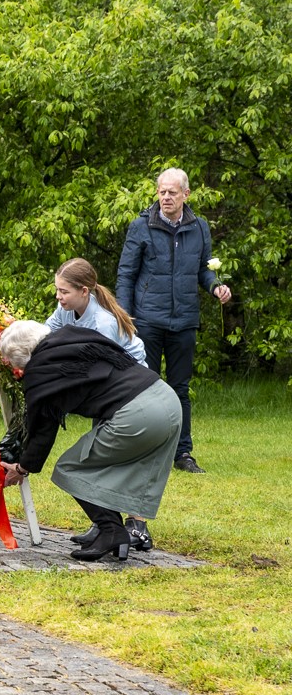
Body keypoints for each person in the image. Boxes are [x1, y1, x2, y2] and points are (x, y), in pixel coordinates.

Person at [0, 321, 181, 562]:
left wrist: (22, 468)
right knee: (109, 465)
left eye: (11, 361)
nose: (13, 367)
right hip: (167, 399)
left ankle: (112, 531)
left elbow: (43, 428)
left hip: (139, 413)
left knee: (70, 468)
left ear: (21, 355)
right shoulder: (71, 335)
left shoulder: (41, 368)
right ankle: (113, 532)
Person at [117, 167, 232, 475]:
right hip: (147, 321)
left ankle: (183, 453)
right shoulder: (140, 226)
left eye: (171, 192)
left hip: (184, 320)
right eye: (161, 192)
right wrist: (125, 317)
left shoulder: (200, 227)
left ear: (186, 194)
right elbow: (126, 275)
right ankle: (147, 451)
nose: (165, 197)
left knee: (180, 388)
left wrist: (215, 285)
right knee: (147, 388)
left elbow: (204, 270)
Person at [45, 257, 154, 551]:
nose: (58, 297)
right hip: (106, 387)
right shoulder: (66, 309)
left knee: (115, 459)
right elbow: (47, 336)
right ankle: (106, 524)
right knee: (99, 458)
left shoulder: (103, 323)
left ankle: (134, 527)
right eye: (57, 290)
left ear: (84, 291)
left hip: (129, 391)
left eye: (63, 291)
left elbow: (92, 367)